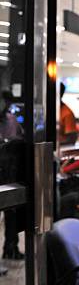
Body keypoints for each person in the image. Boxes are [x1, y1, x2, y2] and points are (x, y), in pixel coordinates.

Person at [0, 92, 24, 260]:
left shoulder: (11, 119)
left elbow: (20, 138)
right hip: (6, 169)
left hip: (9, 170)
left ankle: (11, 247)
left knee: (11, 211)